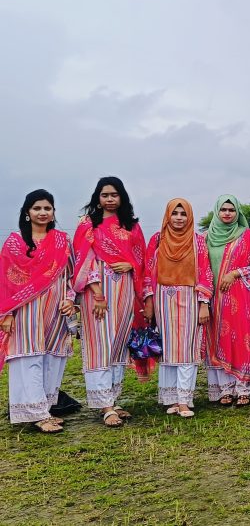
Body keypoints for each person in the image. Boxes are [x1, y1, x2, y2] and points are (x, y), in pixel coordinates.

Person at [72, 176, 147, 427]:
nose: (110, 199)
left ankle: (113, 399)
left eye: (114, 195)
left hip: (125, 290)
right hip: (98, 292)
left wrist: (131, 265)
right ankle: (105, 405)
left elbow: (142, 259)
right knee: (100, 344)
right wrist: (98, 294)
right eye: (105, 195)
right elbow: (83, 260)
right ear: (98, 198)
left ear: (122, 197)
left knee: (118, 344)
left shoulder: (131, 225)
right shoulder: (87, 224)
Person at [0, 190, 76, 433]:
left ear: (53, 212)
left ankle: (45, 408)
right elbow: (5, 281)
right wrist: (6, 313)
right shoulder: (15, 243)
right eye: (37, 208)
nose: (43, 213)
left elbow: (71, 276)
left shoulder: (62, 241)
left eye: (47, 208)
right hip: (25, 310)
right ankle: (37, 414)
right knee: (28, 357)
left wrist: (69, 299)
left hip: (56, 311)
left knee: (52, 358)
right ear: (27, 212)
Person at [142, 199, 214, 418]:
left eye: (183, 214)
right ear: (168, 216)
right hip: (163, 299)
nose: (179, 218)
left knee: (187, 348)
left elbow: (205, 272)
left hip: (190, 298)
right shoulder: (157, 240)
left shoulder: (197, 241)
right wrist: (149, 301)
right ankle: (171, 399)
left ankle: (184, 400)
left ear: (189, 217)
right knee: (168, 349)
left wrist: (204, 304)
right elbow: (147, 272)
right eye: (175, 213)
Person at [205, 194, 250, 407]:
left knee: (241, 338)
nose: (227, 213)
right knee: (219, 339)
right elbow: (201, 266)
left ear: (237, 212)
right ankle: (225, 390)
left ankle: (242, 389)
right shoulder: (207, 237)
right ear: (217, 211)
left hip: (241, 296)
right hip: (214, 297)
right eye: (223, 209)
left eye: (231, 210)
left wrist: (235, 273)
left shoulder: (247, 236)